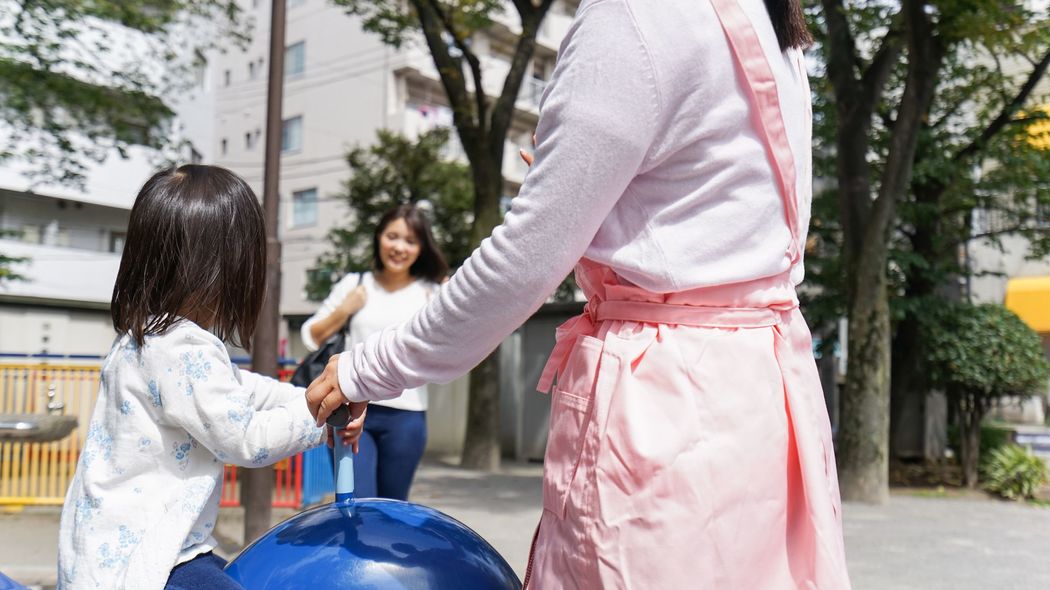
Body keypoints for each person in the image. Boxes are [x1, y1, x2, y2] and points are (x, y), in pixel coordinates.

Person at [307, 0, 852, 586]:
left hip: (660, 402)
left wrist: (369, 367)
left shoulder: (634, 14)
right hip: (763, 394)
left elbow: (525, 259)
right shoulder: (771, 23)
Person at [56, 165, 364, 590]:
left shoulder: (145, 336)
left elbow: (242, 389)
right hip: (151, 558)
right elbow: (245, 439)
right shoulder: (183, 349)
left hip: (107, 545)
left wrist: (307, 396)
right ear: (229, 266)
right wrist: (317, 417)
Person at [301, 204, 447, 500]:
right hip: (352, 412)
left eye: (410, 241)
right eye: (392, 236)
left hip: (407, 416)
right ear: (379, 237)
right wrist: (345, 310)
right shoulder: (354, 285)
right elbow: (311, 336)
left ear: (421, 248)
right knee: (355, 507)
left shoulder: (433, 292)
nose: (399, 247)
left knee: (392, 511)